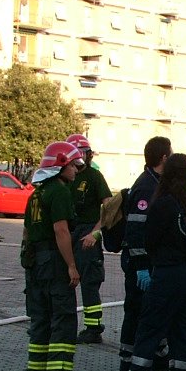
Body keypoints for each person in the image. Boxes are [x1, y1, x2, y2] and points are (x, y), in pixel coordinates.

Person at [119, 153, 186, 371]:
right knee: (183, 333)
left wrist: (146, 266)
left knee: (150, 329)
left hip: (167, 273)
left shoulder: (163, 204)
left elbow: (150, 240)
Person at [21, 141, 86, 371]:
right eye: (72, 165)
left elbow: (27, 230)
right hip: (53, 261)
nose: (76, 169)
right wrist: (71, 265)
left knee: (41, 317)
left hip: (35, 261)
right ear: (60, 166)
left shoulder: (36, 193)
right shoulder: (59, 192)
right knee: (63, 317)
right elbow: (61, 230)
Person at [120, 136, 172, 371]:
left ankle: (154, 358)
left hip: (151, 263)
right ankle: (129, 363)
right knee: (136, 312)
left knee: (150, 312)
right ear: (163, 158)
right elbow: (136, 228)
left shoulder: (157, 183)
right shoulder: (146, 187)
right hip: (140, 264)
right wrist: (141, 265)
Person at [66, 134, 112, 343]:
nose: (78, 158)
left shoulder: (94, 177)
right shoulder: (66, 176)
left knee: (89, 284)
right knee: (65, 281)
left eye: (81, 153)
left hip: (87, 236)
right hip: (69, 233)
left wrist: (95, 232)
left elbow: (109, 207)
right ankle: (64, 324)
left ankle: (93, 328)